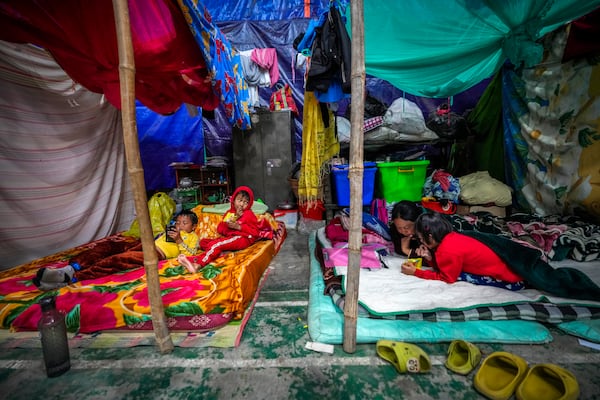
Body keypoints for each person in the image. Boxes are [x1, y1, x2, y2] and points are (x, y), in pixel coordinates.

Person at [401, 211, 525, 289]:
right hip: (514, 273)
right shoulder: (451, 237)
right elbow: (446, 265)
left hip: (511, 281)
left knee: (461, 276)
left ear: (430, 237)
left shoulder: (446, 250)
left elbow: (448, 277)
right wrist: (430, 259)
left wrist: (416, 272)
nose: (421, 242)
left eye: (421, 238)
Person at [179, 186, 260, 273]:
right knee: (204, 242)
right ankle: (221, 252)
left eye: (245, 202)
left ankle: (198, 264)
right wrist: (234, 219)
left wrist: (239, 227)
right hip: (231, 237)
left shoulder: (249, 214)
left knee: (216, 245)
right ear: (233, 200)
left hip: (242, 238)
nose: (241, 204)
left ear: (249, 204)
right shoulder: (230, 213)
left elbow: (255, 233)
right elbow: (220, 229)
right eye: (239, 200)